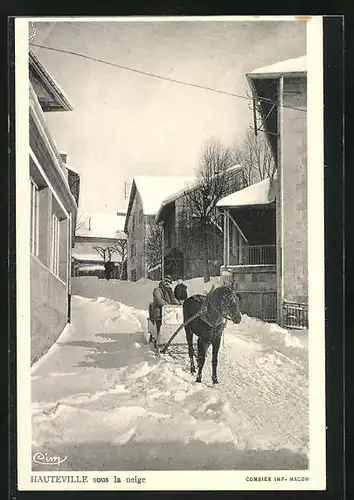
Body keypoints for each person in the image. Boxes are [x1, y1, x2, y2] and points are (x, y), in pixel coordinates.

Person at [149, 275, 179, 341]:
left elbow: (173, 299)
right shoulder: (157, 290)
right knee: (159, 315)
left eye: (169, 282)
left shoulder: (170, 291)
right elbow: (158, 299)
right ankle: (158, 333)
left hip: (169, 310)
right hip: (160, 309)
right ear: (163, 281)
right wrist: (167, 306)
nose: (167, 283)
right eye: (166, 281)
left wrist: (178, 304)